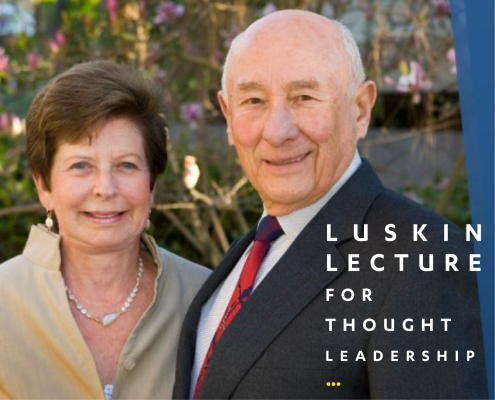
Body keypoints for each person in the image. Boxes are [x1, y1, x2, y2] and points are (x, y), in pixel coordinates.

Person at [173, 10, 488, 400]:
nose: (277, 131)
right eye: (253, 100)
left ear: (360, 109)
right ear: (227, 115)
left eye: (304, 97)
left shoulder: (422, 257)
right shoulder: (244, 259)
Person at [0, 60, 210, 400]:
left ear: (151, 184)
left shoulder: (208, 302)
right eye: (81, 165)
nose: (105, 188)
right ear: (44, 186)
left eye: (126, 165)